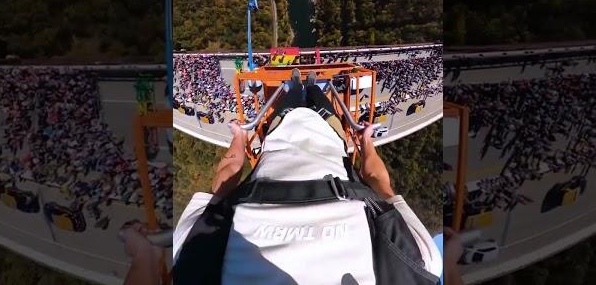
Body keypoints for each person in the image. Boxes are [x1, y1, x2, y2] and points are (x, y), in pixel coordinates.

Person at [173, 69, 443, 284]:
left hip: (327, 137)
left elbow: (378, 183)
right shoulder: (187, 260)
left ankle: (306, 85)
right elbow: (225, 181)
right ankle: (301, 85)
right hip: (282, 135)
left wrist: (365, 142)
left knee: (309, 93)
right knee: (296, 93)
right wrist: (240, 137)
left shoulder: (417, 267)